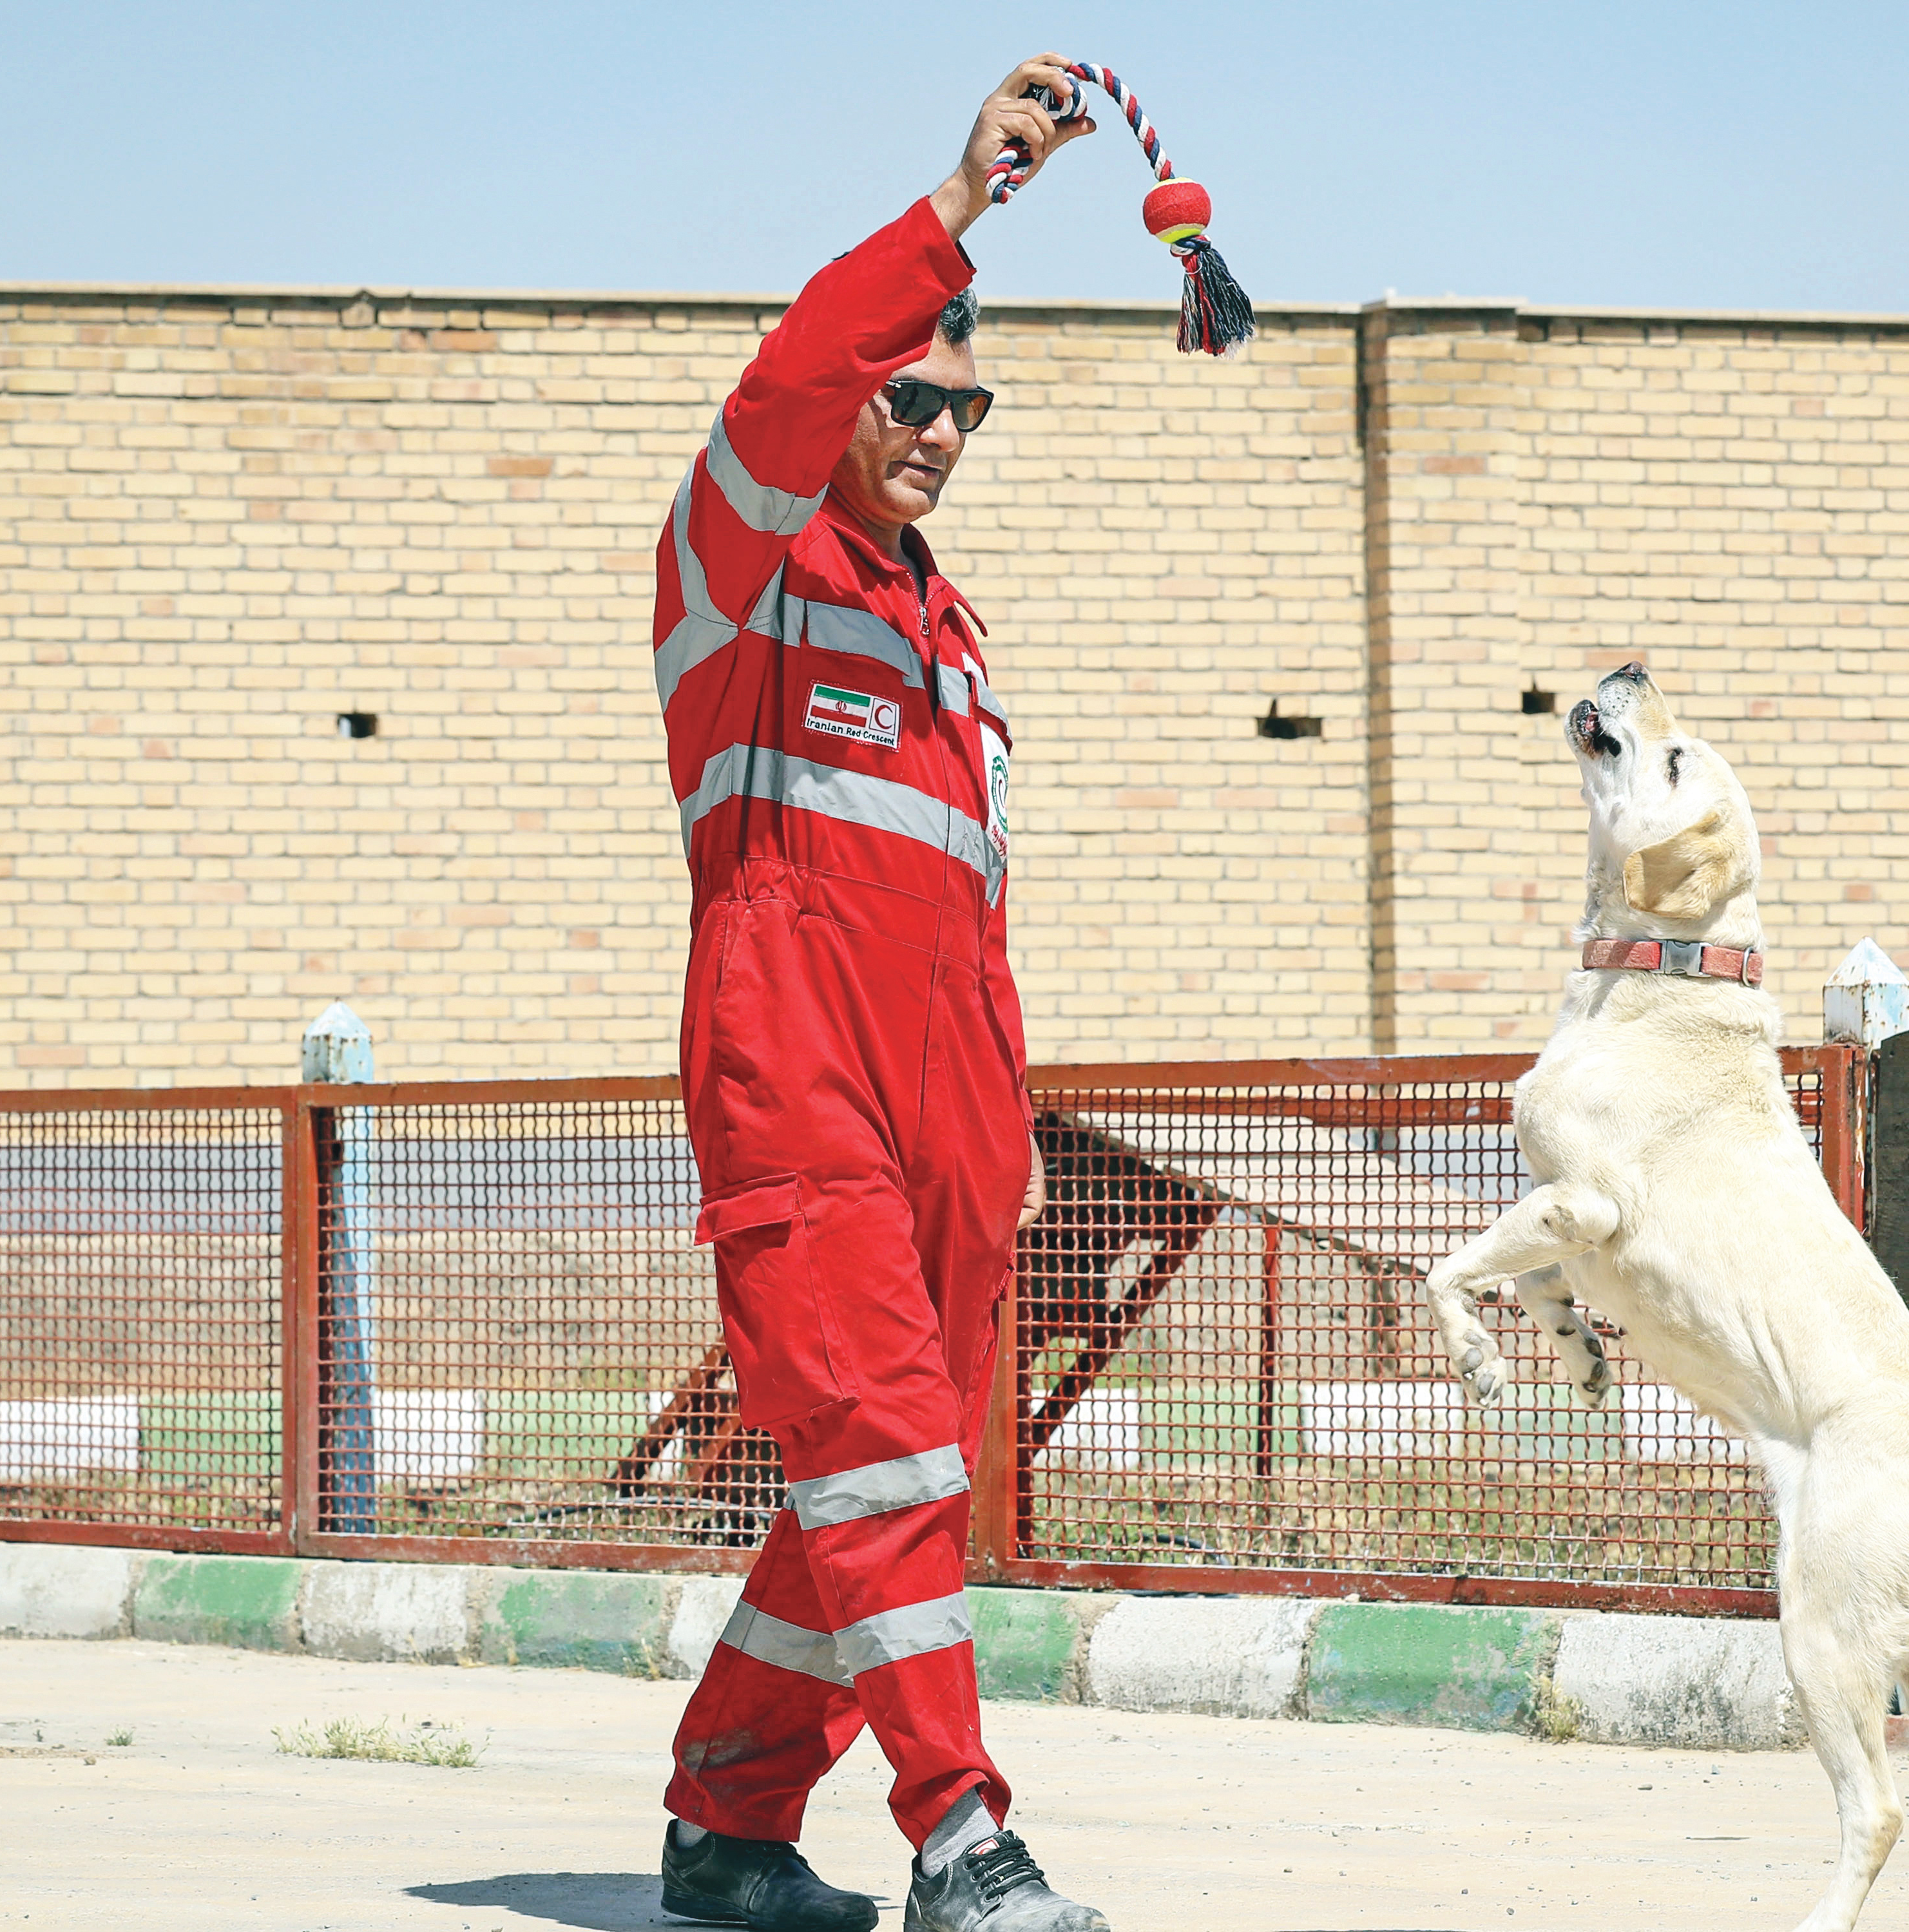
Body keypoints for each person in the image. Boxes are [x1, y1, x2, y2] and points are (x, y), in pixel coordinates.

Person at [648, 53, 1110, 1932]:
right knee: (882, 1459)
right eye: (909, 396)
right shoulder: (741, 575)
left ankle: (730, 1824)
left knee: (882, 1491)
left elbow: (968, 935)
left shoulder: (954, 643)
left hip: (949, 1121)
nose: (931, 430)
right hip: (795, 1087)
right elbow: (782, 382)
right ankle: (957, 1836)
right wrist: (961, 201)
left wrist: (996, 1144)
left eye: (963, 411)